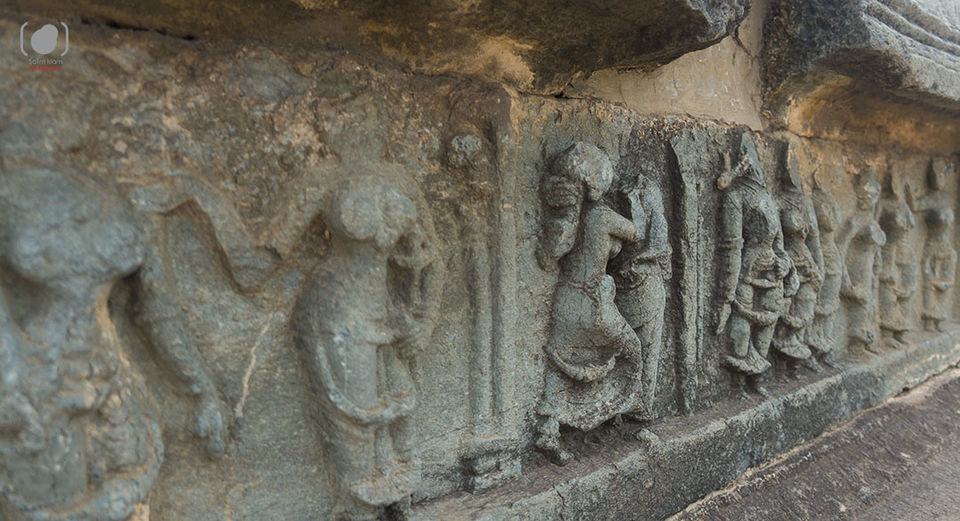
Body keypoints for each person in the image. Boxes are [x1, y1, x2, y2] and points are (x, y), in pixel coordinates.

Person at [535, 143, 643, 465]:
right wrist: (635, 203)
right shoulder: (602, 216)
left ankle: (549, 428)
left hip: (565, 300)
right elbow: (635, 232)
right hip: (593, 300)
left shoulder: (565, 221)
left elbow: (549, 257)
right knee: (631, 349)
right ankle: (617, 409)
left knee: (560, 359)